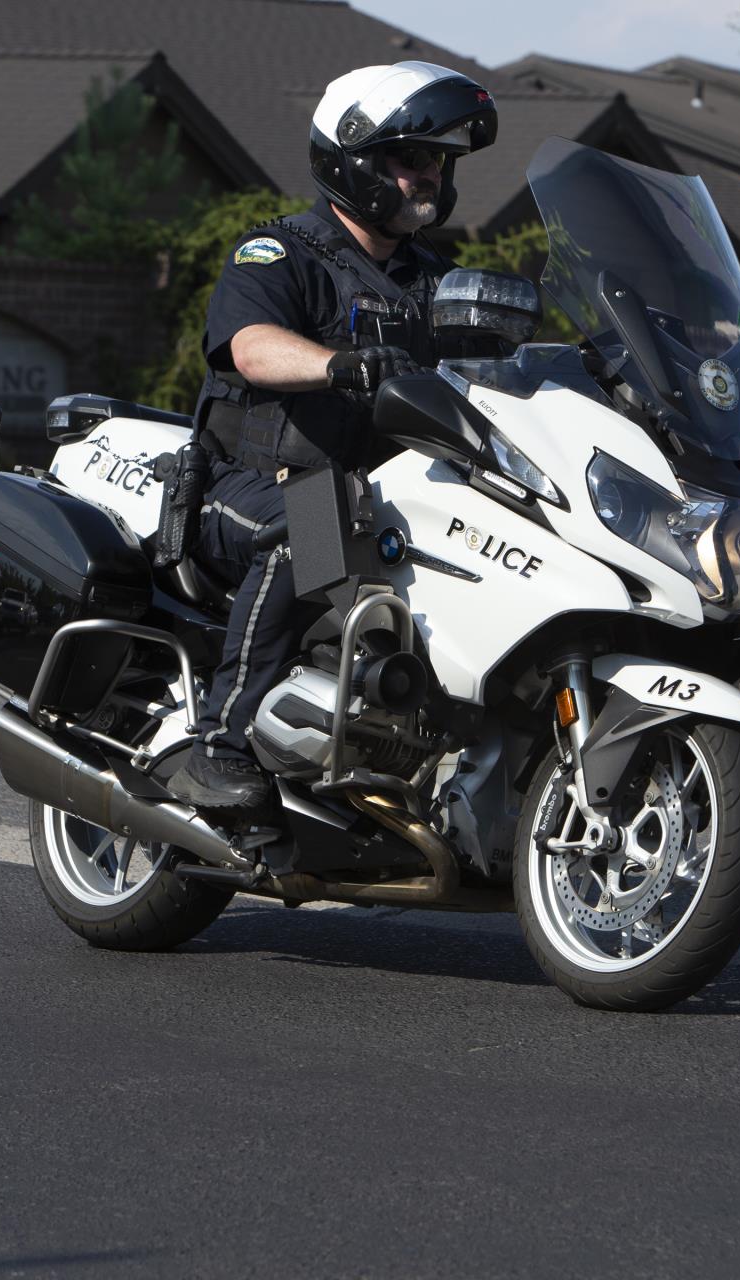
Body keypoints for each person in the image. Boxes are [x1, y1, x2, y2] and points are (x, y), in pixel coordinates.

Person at [169, 61, 499, 809]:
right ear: (354, 159)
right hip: (249, 487)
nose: (428, 178)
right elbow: (249, 345)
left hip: (380, 499)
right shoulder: (279, 253)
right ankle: (221, 742)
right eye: (411, 158)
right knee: (312, 524)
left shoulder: (434, 283)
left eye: (438, 163)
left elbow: (499, 378)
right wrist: (341, 364)